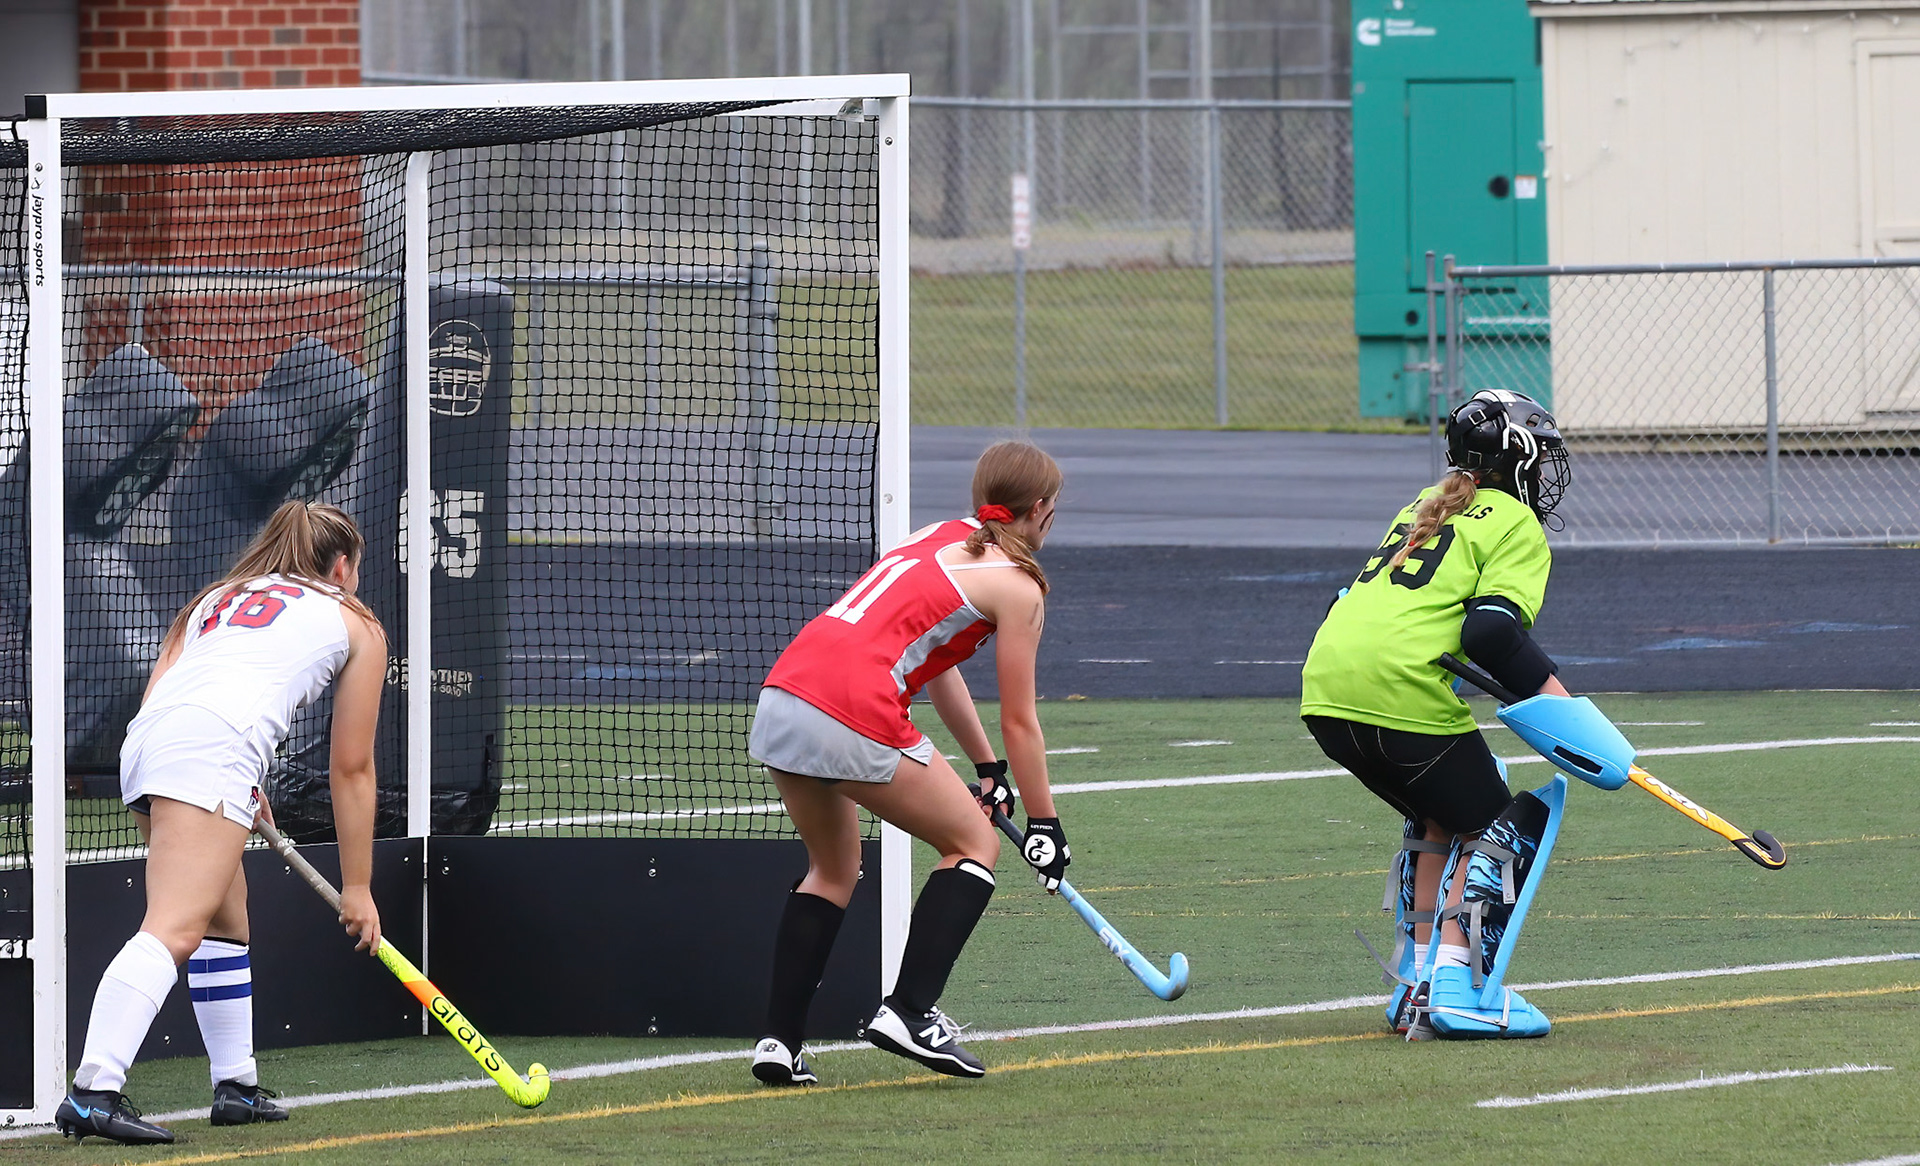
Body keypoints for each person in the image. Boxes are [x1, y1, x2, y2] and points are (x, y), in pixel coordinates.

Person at [56, 500, 388, 1145]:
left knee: (224, 918)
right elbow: (352, 768)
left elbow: (164, 694)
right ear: (341, 566)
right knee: (175, 925)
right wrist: (358, 887)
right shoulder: (356, 622)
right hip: (211, 750)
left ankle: (235, 1086)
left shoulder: (217, 597)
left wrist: (240, 779)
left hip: (149, 744)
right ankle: (93, 1091)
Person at [746, 440, 1069, 1083]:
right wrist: (1045, 823)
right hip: (851, 707)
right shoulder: (1019, 586)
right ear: (1040, 509)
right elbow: (1020, 719)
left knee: (833, 869)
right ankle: (910, 1012)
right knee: (974, 843)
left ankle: (779, 1043)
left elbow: (938, 666)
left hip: (783, 698)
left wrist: (988, 770)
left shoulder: (938, 535)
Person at [1299, 389, 1574, 1040]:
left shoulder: (1424, 503)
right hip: (1399, 693)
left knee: (1440, 814)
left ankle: (1415, 983)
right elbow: (1491, 633)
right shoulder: (1514, 523)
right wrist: (1567, 711)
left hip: (1326, 690)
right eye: (1539, 459)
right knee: (1501, 827)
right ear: (1517, 460)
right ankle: (1456, 986)